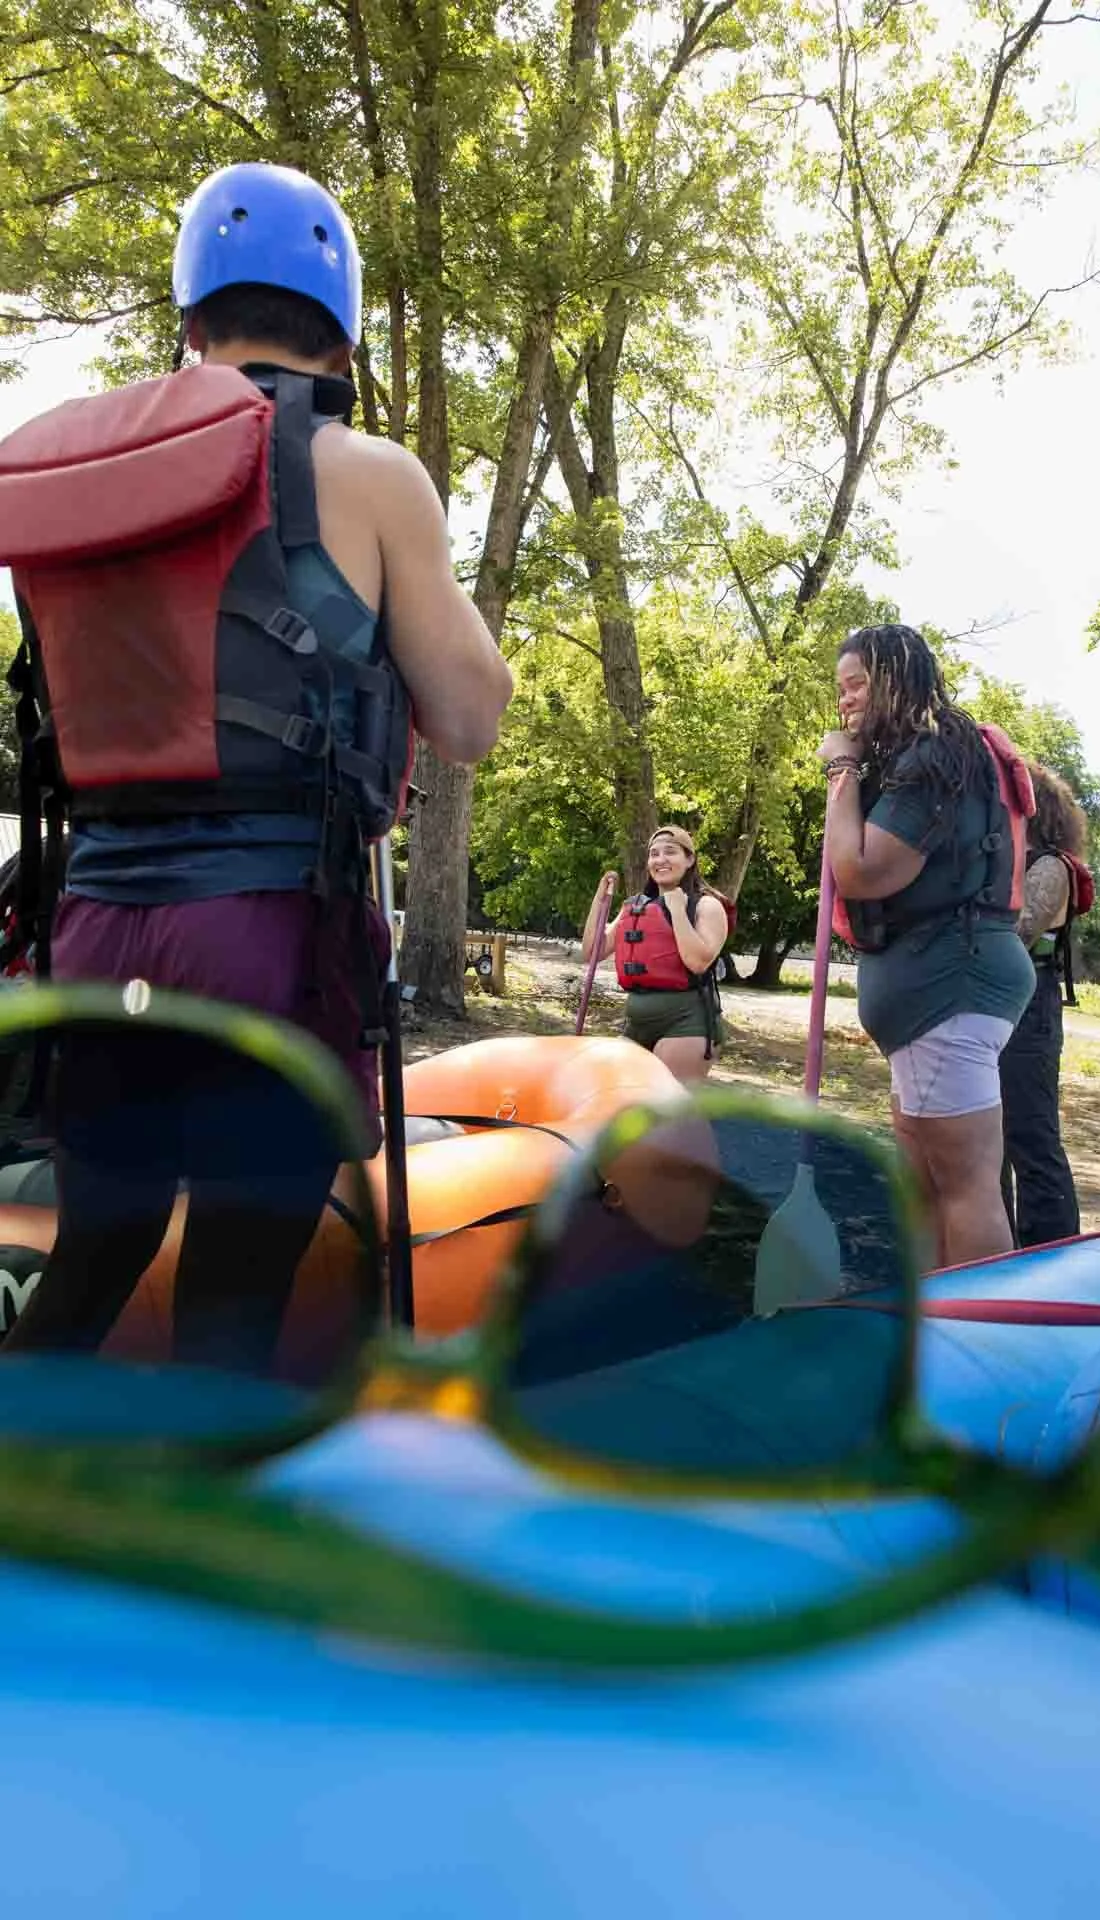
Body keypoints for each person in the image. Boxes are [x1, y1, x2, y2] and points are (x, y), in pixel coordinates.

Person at [0, 160, 512, 1366]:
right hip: (268, 940)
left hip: (96, 933)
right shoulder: (371, 475)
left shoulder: (76, 488)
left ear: (190, 324)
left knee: (94, 1258)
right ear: (344, 343)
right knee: (234, 1294)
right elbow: (473, 717)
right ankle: (202, 1537)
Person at [818, 625, 1035, 1269]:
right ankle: (936, 1323)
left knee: (966, 1188)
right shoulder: (927, 755)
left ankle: (982, 1340)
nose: (845, 701)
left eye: (856, 685)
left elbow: (859, 869)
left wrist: (842, 767)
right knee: (926, 1187)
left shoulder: (931, 758)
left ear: (895, 681)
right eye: (840, 689)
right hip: (936, 995)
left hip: (950, 987)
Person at [1000, 761, 1090, 1249]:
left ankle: (1051, 1253)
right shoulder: (1016, 860)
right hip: (1003, 1003)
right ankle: (1002, 1250)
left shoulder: (1050, 866)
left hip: (1031, 1005)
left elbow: (1019, 929)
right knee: (989, 1139)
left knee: (1030, 1134)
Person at [581, 827, 729, 1083]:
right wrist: (600, 899)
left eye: (670, 852)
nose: (660, 860)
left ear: (690, 859)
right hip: (637, 1024)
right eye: (654, 854)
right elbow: (593, 951)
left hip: (686, 1023)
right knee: (623, 1100)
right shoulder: (638, 907)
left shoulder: (707, 906)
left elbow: (698, 961)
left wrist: (678, 911)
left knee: (669, 1112)